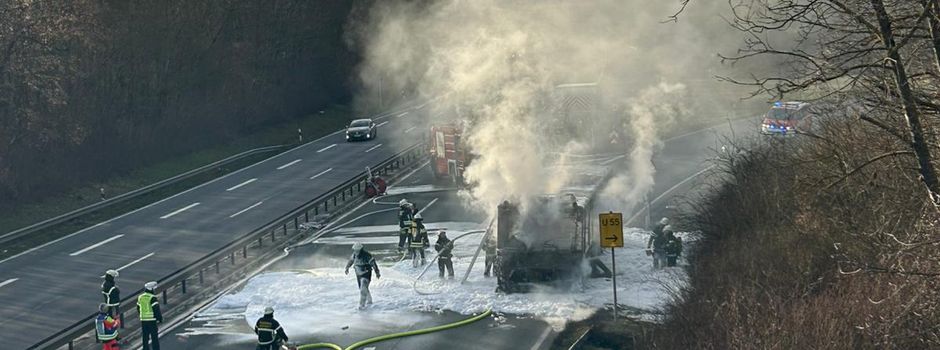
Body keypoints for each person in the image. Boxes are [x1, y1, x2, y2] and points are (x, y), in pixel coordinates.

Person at [345, 242, 381, 310]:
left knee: (363, 288)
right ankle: (369, 300)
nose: (356, 251)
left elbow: (374, 264)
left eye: (357, 250)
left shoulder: (367, 255)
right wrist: (347, 268)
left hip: (366, 273)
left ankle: (362, 305)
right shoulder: (354, 255)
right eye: (355, 250)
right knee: (362, 288)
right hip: (358, 274)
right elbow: (350, 261)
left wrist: (377, 272)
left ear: (361, 249)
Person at [137, 281, 163, 350]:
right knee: (154, 337)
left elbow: (138, 308)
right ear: (151, 289)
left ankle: (145, 348)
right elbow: (156, 309)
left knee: (145, 337)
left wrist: (141, 315)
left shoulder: (140, 297)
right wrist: (159, 318)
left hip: (143, 320)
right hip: (152, 320)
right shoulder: (152, 298)